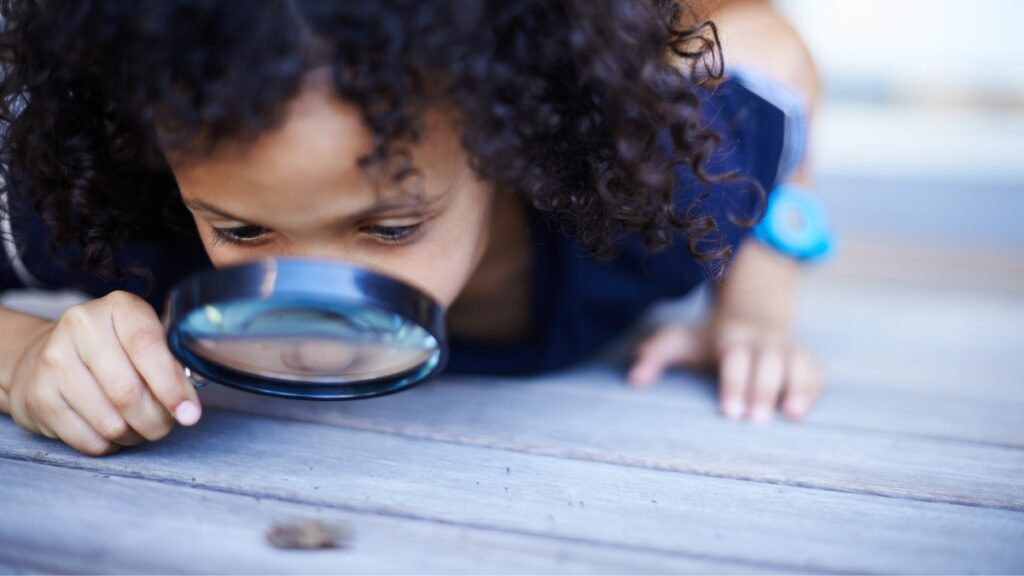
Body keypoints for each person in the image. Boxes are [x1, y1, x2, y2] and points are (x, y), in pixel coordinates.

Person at [0, 0, 824, 457]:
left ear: (511, 137)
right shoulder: (115, 223)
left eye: (391, 229)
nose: (318, 309)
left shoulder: (659, 212)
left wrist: (755, 296)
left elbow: (778, 50)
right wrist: (24, 359)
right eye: (242, 232)